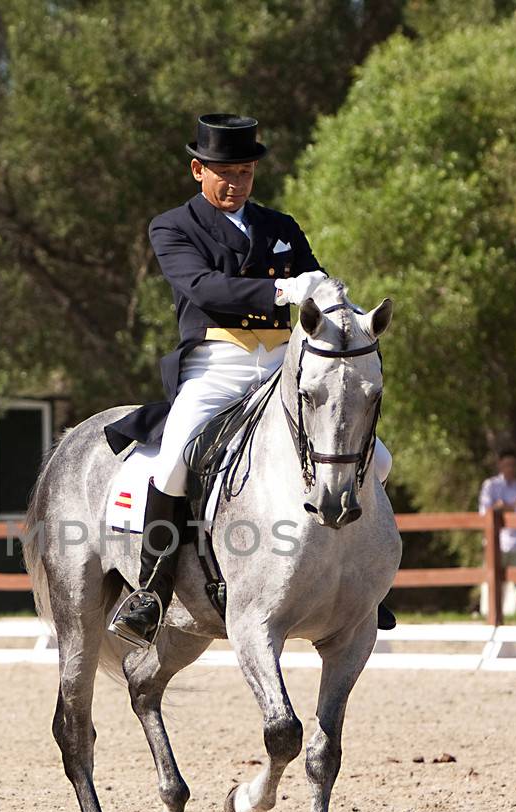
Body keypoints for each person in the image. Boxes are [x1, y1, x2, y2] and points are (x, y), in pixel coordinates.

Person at [103, 114, 394, 646]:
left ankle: (361, 580)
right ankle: (151, 588)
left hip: (284, 365)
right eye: (224, 173)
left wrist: (345, 310)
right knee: (172, 464)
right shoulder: (172, 227)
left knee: (376, 457)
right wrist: (282, 293)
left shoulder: (281, 227)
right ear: (198, 170)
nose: (235, 183)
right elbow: (204, 287)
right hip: (218, 362)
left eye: (245, 172)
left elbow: (320, 286)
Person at [477, 450, 516, 617]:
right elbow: (484, 513)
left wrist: (501, 506)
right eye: (507, 464)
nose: (510, 468)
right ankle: (489, 615)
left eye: (513, 465)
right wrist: (511, 506)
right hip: (496, 541)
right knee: (492, 581)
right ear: (500, 465)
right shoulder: (491, 485)